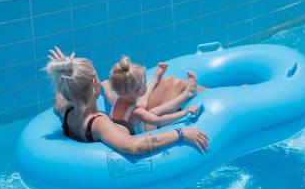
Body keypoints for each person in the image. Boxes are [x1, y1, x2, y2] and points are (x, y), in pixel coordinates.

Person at [45, 47, 209, 155]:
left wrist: (66, 69)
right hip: (142, 127)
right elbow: (133, 146)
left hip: (132, 117)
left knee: (164, 87)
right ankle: (205, 92)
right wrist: (181, 133)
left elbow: (60, 98)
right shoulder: (98, 123)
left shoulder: (68, 110)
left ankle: (186, 89)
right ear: (94, 83)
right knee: (175, 84)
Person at [101, 56, 201, 135]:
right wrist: (184, 112)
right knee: (153, 112)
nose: (145, 85)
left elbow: (109, 95)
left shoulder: (117, 100)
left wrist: (105, 86)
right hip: (145, 136)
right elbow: (159, 121)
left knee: (142, 104)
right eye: (144, 83)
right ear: (138, 90)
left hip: (131, 123)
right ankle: (186, 94)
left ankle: (155, 79)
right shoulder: (137, 112)